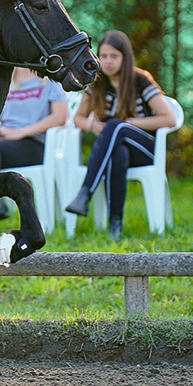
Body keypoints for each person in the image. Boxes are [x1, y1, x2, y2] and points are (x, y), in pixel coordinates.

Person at [64, 30, 175, 238]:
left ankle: (85, 192)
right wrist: (93, 126)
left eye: (114, 56)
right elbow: (78, 119)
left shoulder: (139, 80)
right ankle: (115, 225)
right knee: (118, 153)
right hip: (116, 151)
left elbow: (169, 118)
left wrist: (132, 123)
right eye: (103, 56)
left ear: (125, 57)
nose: (108, 62)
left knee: (117, 126)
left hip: (145, 149)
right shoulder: (96, 82)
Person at [0, 67, 68, 237]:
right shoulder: (5, 81)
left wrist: (22, 131)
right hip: (1, 143)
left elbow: (60, 116)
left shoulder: (50, 80)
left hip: (33, 144)